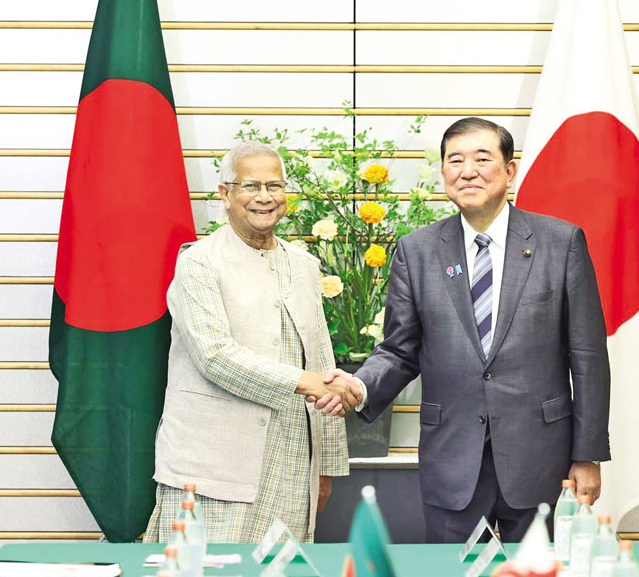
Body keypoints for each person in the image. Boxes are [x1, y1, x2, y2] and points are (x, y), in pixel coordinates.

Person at [324, 118, 610, 543]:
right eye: (455, 160)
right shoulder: (417, 251)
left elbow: (588, 357)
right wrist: (360, 386)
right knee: (451, 576)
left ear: (509, 172)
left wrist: (587, 456)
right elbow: (399, 350)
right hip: (452, 458)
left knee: (536, 576)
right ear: (443, 172)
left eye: (482, 158)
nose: (468, 171)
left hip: (541, 460)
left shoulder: (560, 243)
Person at [143, 141, 358, 543]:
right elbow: (214, 356)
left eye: (274, 186)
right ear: (225, 194)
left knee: (280, 575)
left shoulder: (304, 266)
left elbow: (322, 362)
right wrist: (306, 382)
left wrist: (326, 467)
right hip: (210, 469)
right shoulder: (198, 262)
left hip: (292, 466)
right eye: (250, 186)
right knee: (203, 575)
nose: (264, 197)